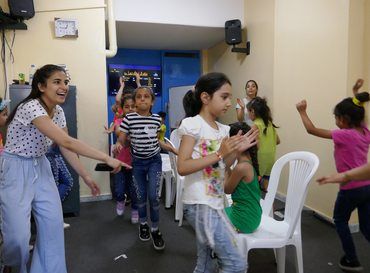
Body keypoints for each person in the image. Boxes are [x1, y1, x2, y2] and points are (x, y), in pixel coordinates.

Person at [0, 64, 130, 273]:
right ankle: (11, 264)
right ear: (41, 86)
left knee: (52, 228)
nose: (64, 87)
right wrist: (107, 157)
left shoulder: (58, 111)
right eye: (57, 82)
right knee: (17, 239)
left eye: (66, 82)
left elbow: (64, 146)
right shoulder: (31, 107)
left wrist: (85, 175)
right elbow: (67, 142)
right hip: (15, 168)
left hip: (41, 166)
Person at [177, 72, 258, 273]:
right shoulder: (192, 125)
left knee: (205, 264)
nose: (229, 102)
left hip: (216, 203)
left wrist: (234, 152)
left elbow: (223, 166)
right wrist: (219, 153)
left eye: (230, 97)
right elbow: (182, 166)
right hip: (199, 205)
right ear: (205, 98)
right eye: (224, 97)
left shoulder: (223, 130)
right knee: (236, 264)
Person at [296, 79, 370, 272]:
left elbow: (311, 130)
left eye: (336, 118)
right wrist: (356, 94)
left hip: (350, 188)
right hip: (367, 186)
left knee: (340, 219)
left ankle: (352, 260)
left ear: (345, 119)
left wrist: (302, 111)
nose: (335, 121)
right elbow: (361, 116)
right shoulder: (364, 132)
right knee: (366, 226)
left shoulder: (344, 134)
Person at [117, 86, 177, 251]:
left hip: (154, 162)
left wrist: (172, 148)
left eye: (146, 97)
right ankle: (143, 224)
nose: (142, 99)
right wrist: (119, 143)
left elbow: (158, 140)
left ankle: (155, 229)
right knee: (140, 197)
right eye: (139, 97)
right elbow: (122, 139)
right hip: (137, 163)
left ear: (152, 101)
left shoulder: (157, 119)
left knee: (153, 196)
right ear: (135, 101)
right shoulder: (129, 119)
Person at [224, 122, 262, 234]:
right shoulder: (246, 162)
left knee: (208, 219)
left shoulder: (241, 167)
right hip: (252, 215)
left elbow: (227, 189)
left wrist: (224, 165)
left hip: (244, 219)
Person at [111, 95, 138, 222]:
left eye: (133, 106)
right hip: (120, 163)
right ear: (122, 109)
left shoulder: (140, 123)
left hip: (135, 164)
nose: (131, 109)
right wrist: (122, 140)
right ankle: (121, 201)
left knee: (134, 191)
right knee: (120, 190)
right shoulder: (118, 122)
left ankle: (135, 210)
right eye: (127, 107)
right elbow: (119, 133)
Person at [246, 96, 280, 192]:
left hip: (260, 162)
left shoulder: (255, 126)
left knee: (255, 189)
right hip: (270, 161)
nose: (248, 115)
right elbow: (278, 141)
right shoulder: (269, 124)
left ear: (252, 111)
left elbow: (256, 145)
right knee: (267, 189)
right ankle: (270, 206)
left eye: (248, 112)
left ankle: (256, 205)